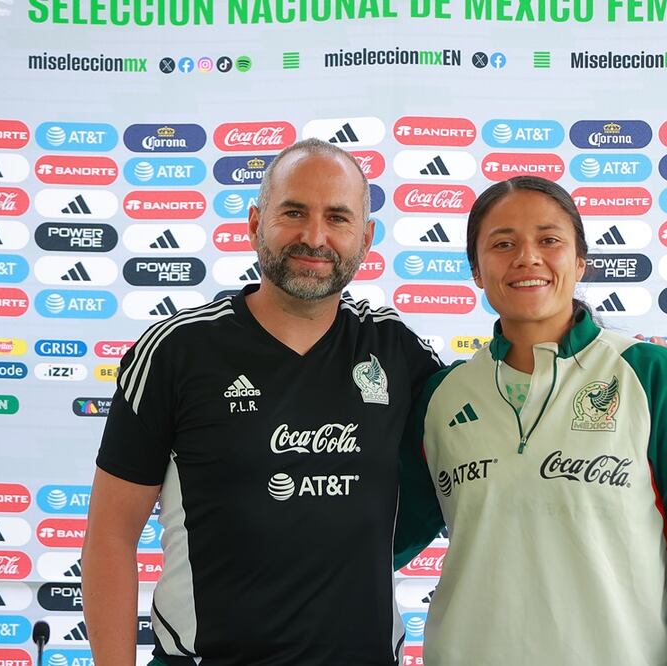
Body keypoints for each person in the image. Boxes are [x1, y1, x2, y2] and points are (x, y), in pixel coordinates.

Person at [81, 138, 443, 666]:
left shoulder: (398, 352)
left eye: (337, 218)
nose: (314, 237)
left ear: (365, 238)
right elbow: (111, 536)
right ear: (254, 224)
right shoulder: (178, 350)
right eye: (293, 212)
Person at [395, 176, 667, 665]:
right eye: (503, 244)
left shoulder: (650, 374)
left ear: (579, 261)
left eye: (549, 240)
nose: (527, 257)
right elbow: (385, 536)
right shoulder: (441, 398)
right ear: (476, 270)